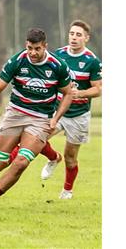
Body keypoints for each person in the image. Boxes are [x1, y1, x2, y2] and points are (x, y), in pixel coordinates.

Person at [0, 28, 73, 210]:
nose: (33, 53)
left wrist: (55, 119)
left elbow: (68, 93)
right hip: (15, 114)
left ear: (45, 46)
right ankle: (50, 154)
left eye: (37, 48)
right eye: (29, 48)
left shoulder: (57, 65)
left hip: (40, 119)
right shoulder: (17, 61)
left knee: (21, 162)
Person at [37, 20, 102, 199]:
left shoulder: (92, 61)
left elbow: (98, 89)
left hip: (79, 115)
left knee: (71, 157)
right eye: (72, 34)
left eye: (78, 35)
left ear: (86, 38)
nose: (74, 37)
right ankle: (53, 158)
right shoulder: (59, 55)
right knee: (37, 138)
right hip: (57, 111)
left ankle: (67, 190)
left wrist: (79, 93)